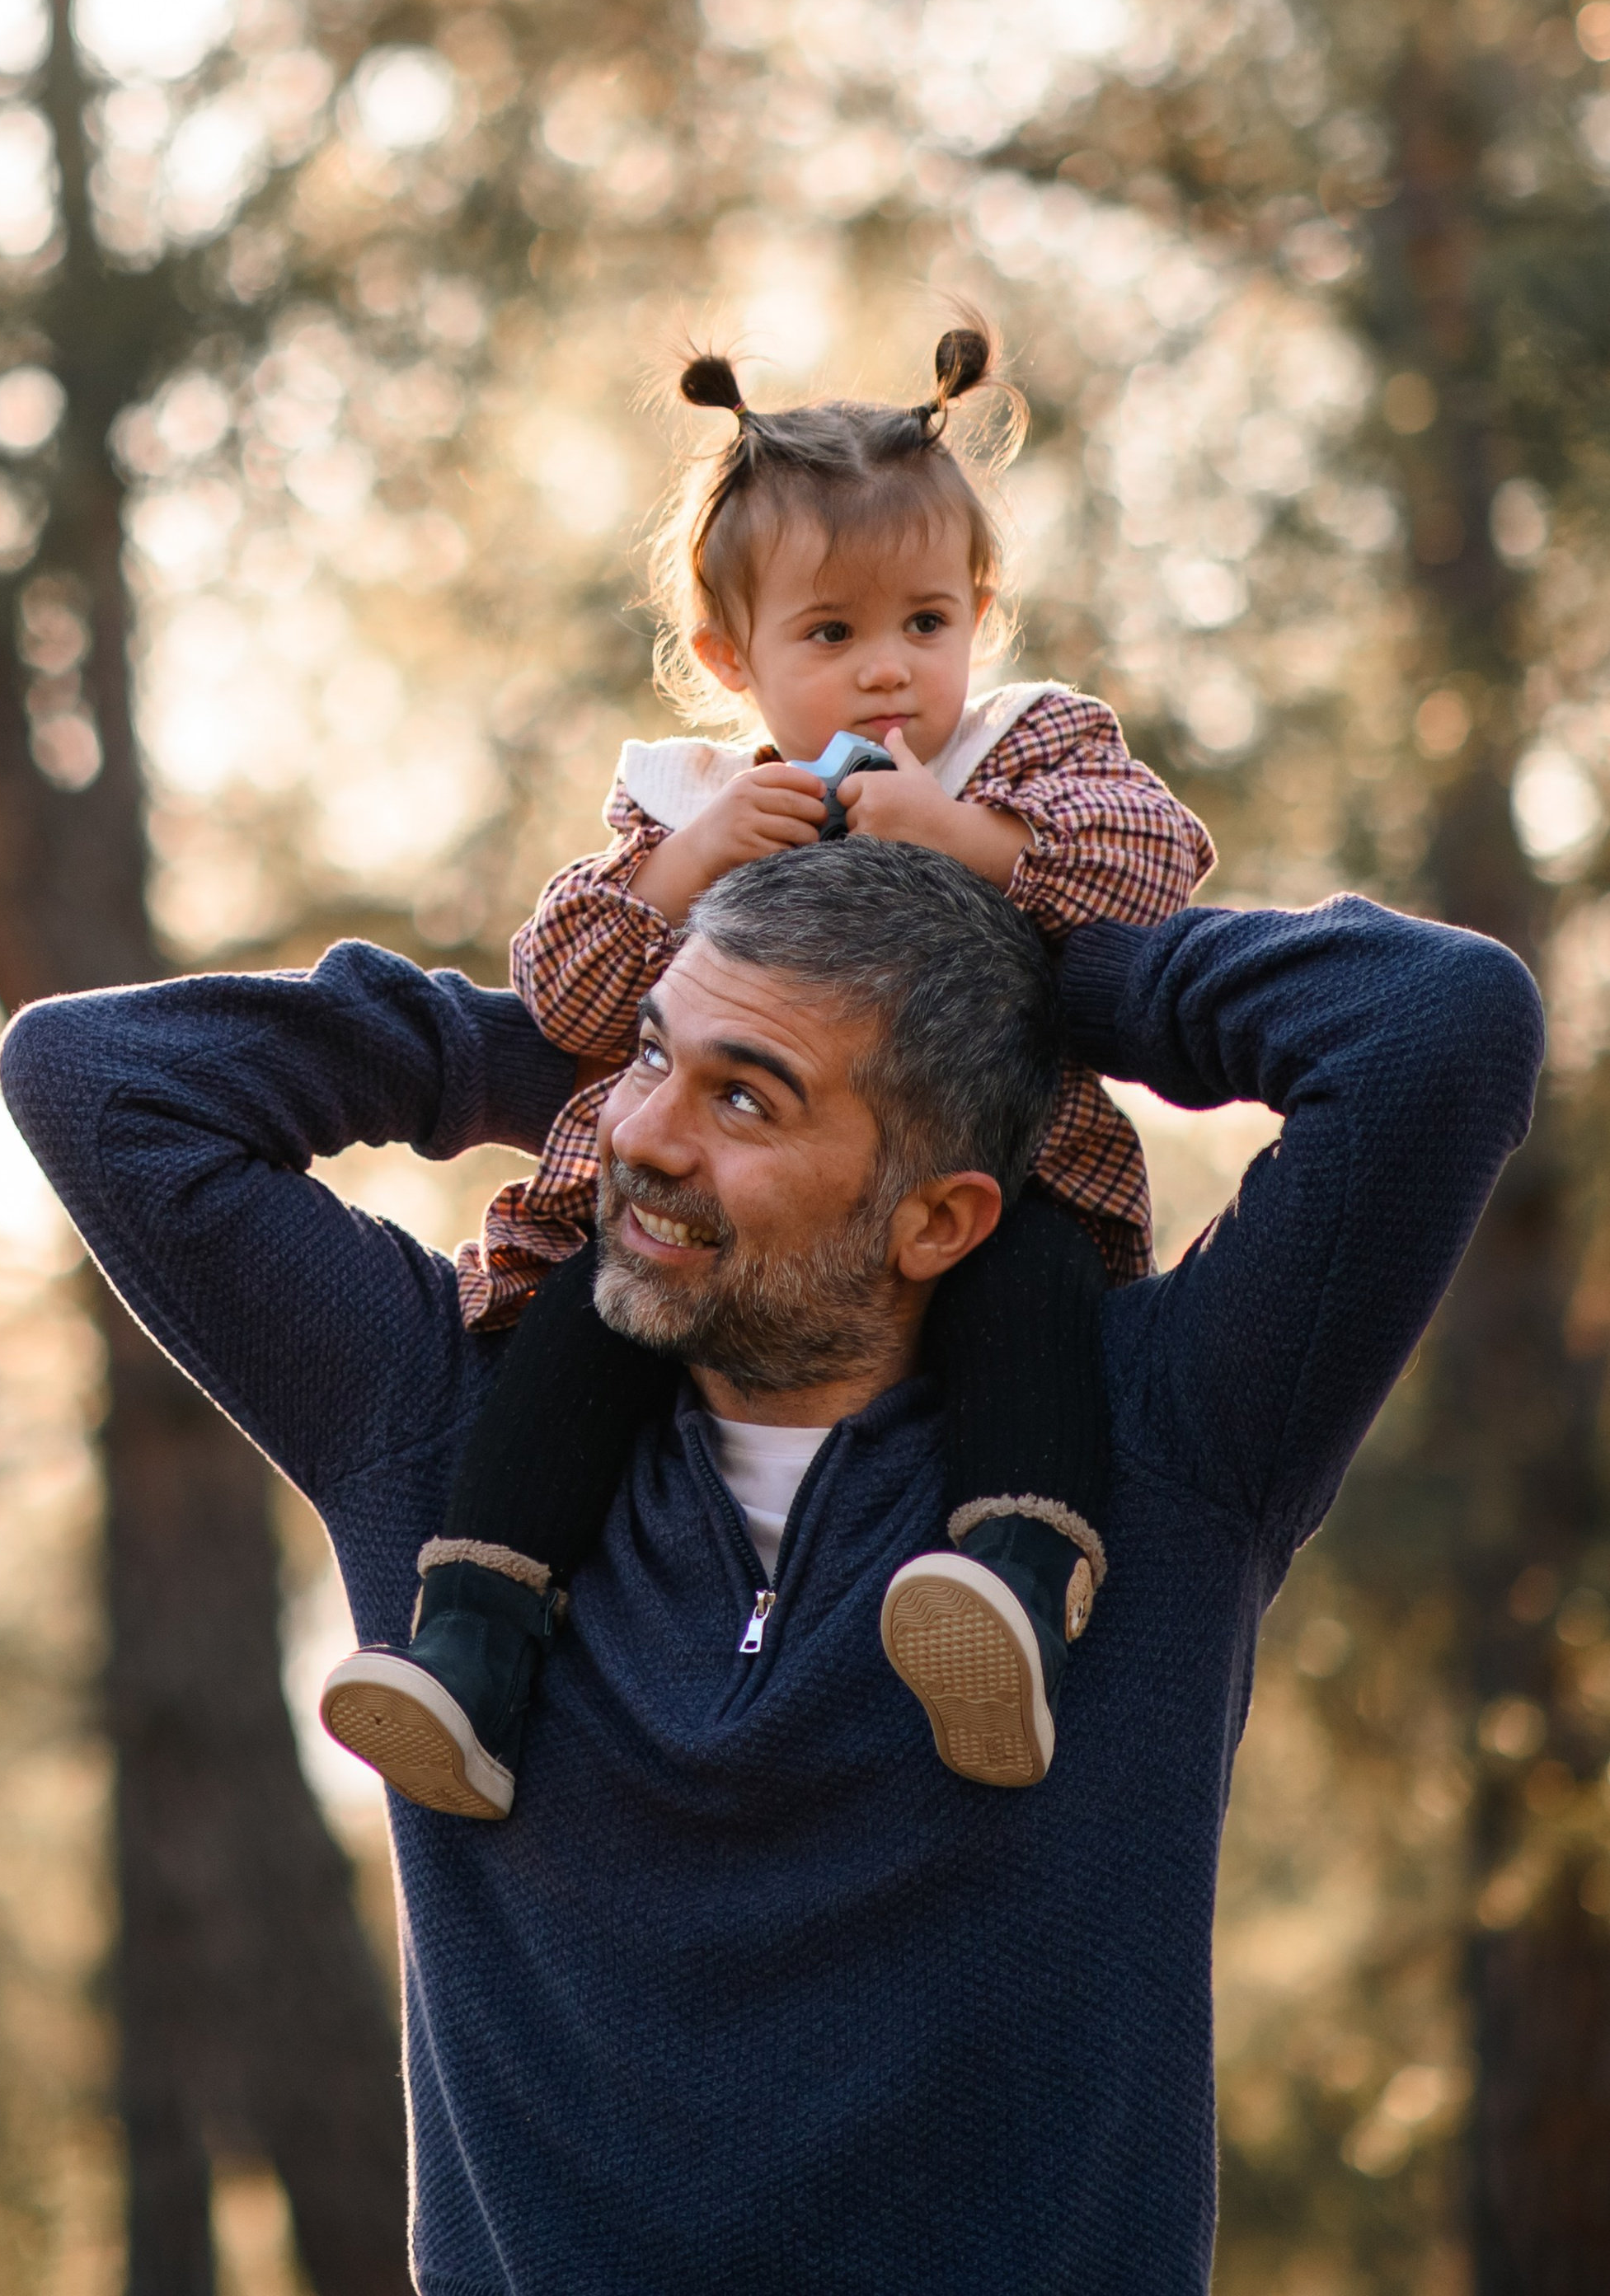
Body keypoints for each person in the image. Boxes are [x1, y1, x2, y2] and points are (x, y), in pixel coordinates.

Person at [0, 850, 1539, 2296]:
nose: (647, 1133)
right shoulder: (450, 1427)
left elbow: (1436, 1024)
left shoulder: (1162, 1446)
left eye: (749, 1098)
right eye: (656, 1059)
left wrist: (1047, 965)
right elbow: (96, 1077)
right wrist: (569, 1028)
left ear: (942, 1215)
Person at [322, 326, 1213, 1818]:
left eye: (928, 622)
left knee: (1031, 1292)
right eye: (831, 634)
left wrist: (964, 838)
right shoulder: (697, 799)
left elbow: (1156, 879)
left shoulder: (1019, 751)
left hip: (994, 1168)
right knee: (590, 1321)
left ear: (979, 618)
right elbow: (570, 998)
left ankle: (1012, 1588)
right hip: (731, 1214)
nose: (888, 668)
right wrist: (682, 868)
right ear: (735, 659)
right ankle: (476, 1642)